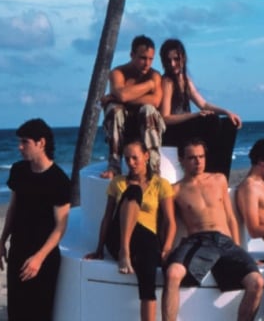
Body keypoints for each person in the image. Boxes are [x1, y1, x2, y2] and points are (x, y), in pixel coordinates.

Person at [161, 138, 263, 321]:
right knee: (172, 273)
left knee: (257, 282)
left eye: (201, 156)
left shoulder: (219, 179)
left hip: (225, 241)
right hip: (198, 240)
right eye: (192, 158)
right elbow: (170, 223)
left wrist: (239, 248)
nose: (198, 161)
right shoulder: (175, 190)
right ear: (182, 160)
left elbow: (230, 217)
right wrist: (167, 248)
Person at [85, 139, 176, 321]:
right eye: (127, 159)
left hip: (146, 240)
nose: (131, 163)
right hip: (118, 238)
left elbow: (170, 221)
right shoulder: (118, 183)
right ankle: (124, 252)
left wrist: (166, 249)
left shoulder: (160, 184)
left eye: (135, 158)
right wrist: (99, 249)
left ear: (146, 156)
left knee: (148, 277)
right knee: (134, 191)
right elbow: (108, 217)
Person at [0, 118, 71, 321]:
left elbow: (61, 226)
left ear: (41, 143)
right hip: (18, 250)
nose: (20, 147)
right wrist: (2, 241)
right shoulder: (18, 171)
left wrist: (39, 258)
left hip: (43, 258)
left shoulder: (59, 180)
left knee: (39, 314)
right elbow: (13, 208)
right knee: (16, 313)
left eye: (25, 142)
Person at [159, 38, 241, 179]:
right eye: (168, 60)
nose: (172, 64)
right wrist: (194, 116)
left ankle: (221, 176)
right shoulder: (167, 82)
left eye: (176, 59)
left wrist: (227, 112)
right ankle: (209, 170)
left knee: (228, 124)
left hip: (185, 127)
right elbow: (165, 118)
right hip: (171, 131)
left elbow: (203, 104)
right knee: (210, 120)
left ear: (183, 58)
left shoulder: (185, 79)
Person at [100, 35, 165, 179]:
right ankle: (114, 165)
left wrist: (121, 96)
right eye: (142, 58)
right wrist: (149, 86)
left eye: (150, 59)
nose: (147, 63)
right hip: (123, 123)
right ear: (132, 55)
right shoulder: (118, 73)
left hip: (146, 123)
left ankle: (154, 167)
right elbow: (122, 96)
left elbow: (155, 101)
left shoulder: (154, 75)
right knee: (114, 109)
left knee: (148, 110)